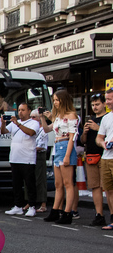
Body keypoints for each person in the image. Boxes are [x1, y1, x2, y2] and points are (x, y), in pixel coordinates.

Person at [39, 89, 79, 224]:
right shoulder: (58, 117)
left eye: (57, 100)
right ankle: (56, 210)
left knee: (68, 183)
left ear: (63, 100)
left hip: (66, 145)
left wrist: (68, 155)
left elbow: (72, 137)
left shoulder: (71, 115)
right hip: (57, 146)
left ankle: (68, 213)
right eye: (54, 100)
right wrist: (42, 117)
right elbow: (47, 129)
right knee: (58, 183)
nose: (55, 102)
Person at [1, 103, 40, 217]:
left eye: (23, 110)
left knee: (29, 183)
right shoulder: (13, 123)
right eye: (19, 110)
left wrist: (17, 124)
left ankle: (32, 206)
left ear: (29, 111)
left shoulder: (34, 123)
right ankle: (18, 205)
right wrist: (3, 124)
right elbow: (3, 132)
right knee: (16, 183)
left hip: (27, 158)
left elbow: (31, 133)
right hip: (15, 157)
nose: (20, 112)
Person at [79, 93, 106, 226]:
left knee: (107, 187)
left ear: (104, 104)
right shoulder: (90, 119)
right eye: (93, 105)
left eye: (97, 104)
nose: (94, 107)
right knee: (95, 187)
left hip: (104, 156)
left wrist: (98, 128)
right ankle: (99, 214)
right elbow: (83, 141)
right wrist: (84, 132)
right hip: (90, 156)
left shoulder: (108, 118)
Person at [96, 88, 113, 230]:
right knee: (109, 190)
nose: (107, 102)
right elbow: (99, 138)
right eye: (106, 99)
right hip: (106, 157)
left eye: (110, 99)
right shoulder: (106, 118)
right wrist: (103, 144)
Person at [30, 109, 48, 213]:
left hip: (40, 155)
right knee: (30, 179)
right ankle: (31, 202)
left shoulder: (43, 129)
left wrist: (30, 147)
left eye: (34, 117)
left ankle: (43, 204)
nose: (31, 119)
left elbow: (42, 145)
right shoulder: (33, 129)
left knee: (41, 179)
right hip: (31, 155)